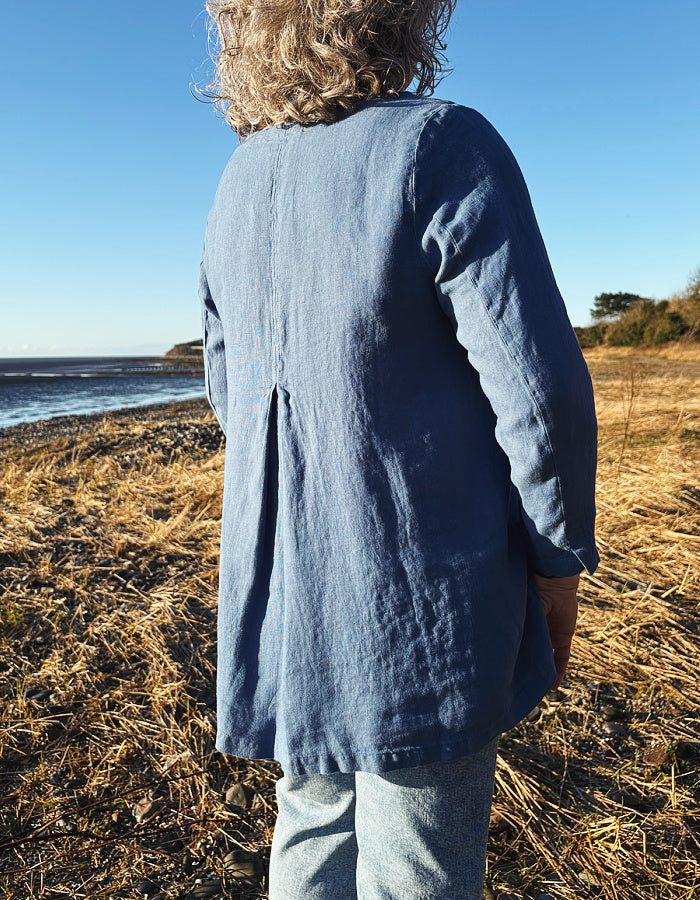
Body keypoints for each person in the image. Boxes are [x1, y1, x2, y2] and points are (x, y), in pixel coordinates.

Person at [198, 0, 599, 896]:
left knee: (309, 823)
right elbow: (543, 395)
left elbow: (233, 389)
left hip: (288, 603)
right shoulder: (444, 144)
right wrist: (558, 560)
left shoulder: (239, 179)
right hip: (418, 606)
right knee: (419, 862)